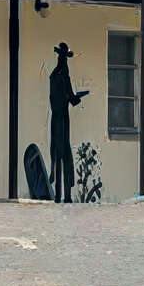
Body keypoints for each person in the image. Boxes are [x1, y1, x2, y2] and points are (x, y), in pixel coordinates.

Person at [47, 41, 89, 203]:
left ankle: (58, 195)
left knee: (56, 154)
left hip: (55, 118)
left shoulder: (53, 75)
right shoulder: (64, 75)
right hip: (63, 119)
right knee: (65, 156)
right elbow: (72, 99)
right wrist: (79, 96)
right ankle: (67, 196)